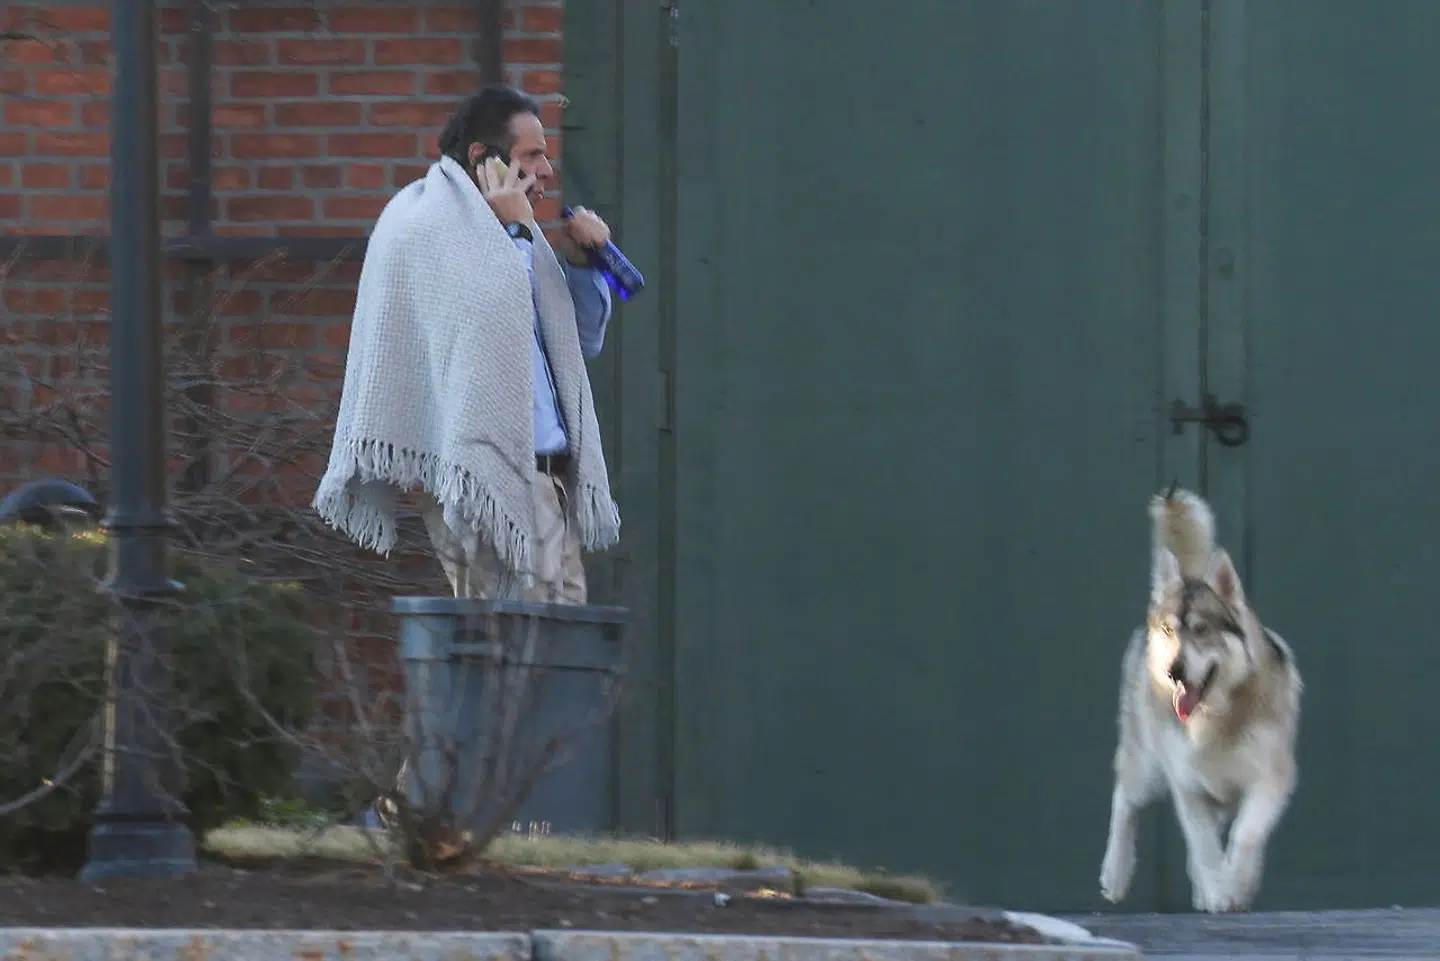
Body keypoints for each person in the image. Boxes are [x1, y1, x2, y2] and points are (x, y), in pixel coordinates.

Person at [313, 84, 622, 603]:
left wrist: (583, 264)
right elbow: (483, 323)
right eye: (532, 155)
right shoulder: (424, 224)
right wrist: (518, 237)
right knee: (525, 656)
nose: (547, 170)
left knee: (562, 653)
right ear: (484, 158)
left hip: (551, 482)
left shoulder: (520, 238)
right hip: (483, 479)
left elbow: (580, 341)